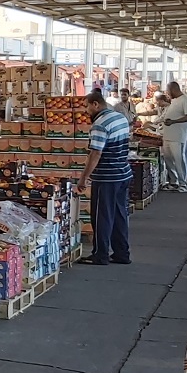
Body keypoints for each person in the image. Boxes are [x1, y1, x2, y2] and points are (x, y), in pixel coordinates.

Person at [76, 89, 132, 265]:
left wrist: (84, 178)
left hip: (107, 177)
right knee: (119, 214)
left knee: (102, 217)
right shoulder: (120, 118)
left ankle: (100, 254)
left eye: (87, 107)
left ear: (95, 104)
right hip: (123, 173)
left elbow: (95, 154)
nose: (86, 111)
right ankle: (122, 253)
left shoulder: (100, 125)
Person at [157, 81, 187, 192]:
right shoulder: (174, 101)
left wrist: (174, 121)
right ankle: (173, 182)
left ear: (173, 89)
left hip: (178, 136)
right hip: (168, 135)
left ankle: (183, 184)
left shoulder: (185, 100)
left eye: (168, 91)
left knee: (179, 160)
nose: (167, 94)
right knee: (168, 160)